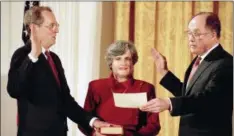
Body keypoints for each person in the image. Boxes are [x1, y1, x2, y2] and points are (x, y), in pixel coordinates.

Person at [7, 6, 110, 136]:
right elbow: (14, 89)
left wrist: (92, 121)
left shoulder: (54, 59)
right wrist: (33, 56)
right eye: (51, 26)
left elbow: (65, 100)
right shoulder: (22, 55)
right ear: (34, 28)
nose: (56, 30)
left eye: (57, 25)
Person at [140, 12, 233, 136]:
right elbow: (188, 94)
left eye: (196, 33)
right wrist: (164, 72)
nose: (190, 38)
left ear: (213, 35)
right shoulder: (199, 59)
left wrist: (169, 103)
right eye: (189, 33)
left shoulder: (226, 63)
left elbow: (208, 99)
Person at [79, 40, 161, 136]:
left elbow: (154, 125)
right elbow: (83, 120)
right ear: (111, 63)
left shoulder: (146, 88)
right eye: (118, 59)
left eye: (127, 59)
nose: (123, 63)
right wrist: (94, 134)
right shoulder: (96, 86)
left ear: (133, 62)